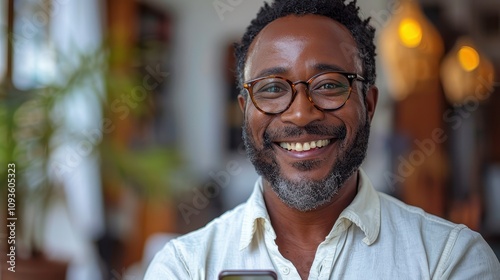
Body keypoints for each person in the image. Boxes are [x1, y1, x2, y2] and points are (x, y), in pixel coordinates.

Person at [145, 0, 500, 279]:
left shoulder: (449, 260)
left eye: (329, 84)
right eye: (271, 88)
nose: (300, 114)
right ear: (245, 109)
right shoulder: (185, 268)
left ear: (369, 104)